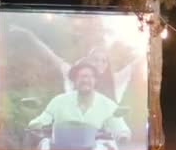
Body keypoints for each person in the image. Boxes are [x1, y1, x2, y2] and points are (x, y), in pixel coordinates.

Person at [9, 25, 139, 103]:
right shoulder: (75, 74)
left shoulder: (114, 79)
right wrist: (29, 35)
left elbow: (136, 64)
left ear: (107, 64)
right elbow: (51, 55)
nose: (99, 63)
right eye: (96, 59)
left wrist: (155, 35)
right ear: (89, 60)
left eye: (103, 60)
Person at [27, 60, 131, 147]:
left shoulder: (108, 104)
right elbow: (44, 118)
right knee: (44, 145)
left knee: (110, 148)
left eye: (90, 77)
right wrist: (35, 124)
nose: (85, 80)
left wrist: (123, 134)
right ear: (74, 81)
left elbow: (120, 126)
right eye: (81, 76)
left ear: (95, 80)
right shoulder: (58, 101)